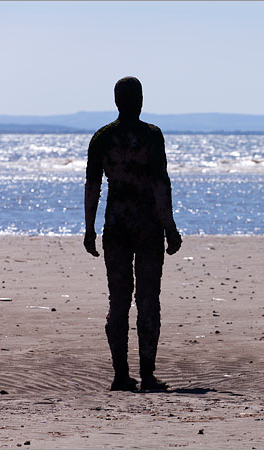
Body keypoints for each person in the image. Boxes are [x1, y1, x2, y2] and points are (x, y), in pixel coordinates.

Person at [84, 76, 182, 392]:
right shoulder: (151, 136)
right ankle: (148, 375)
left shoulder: (102, 137)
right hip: (147, 226)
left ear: (116, 101)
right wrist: (170, 228)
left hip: (116, 225)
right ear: (139, 100)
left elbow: (93, 188)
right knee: (148, 299)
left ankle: (121, 375)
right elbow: (160, 184)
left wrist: (89, 228)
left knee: (120, 301)